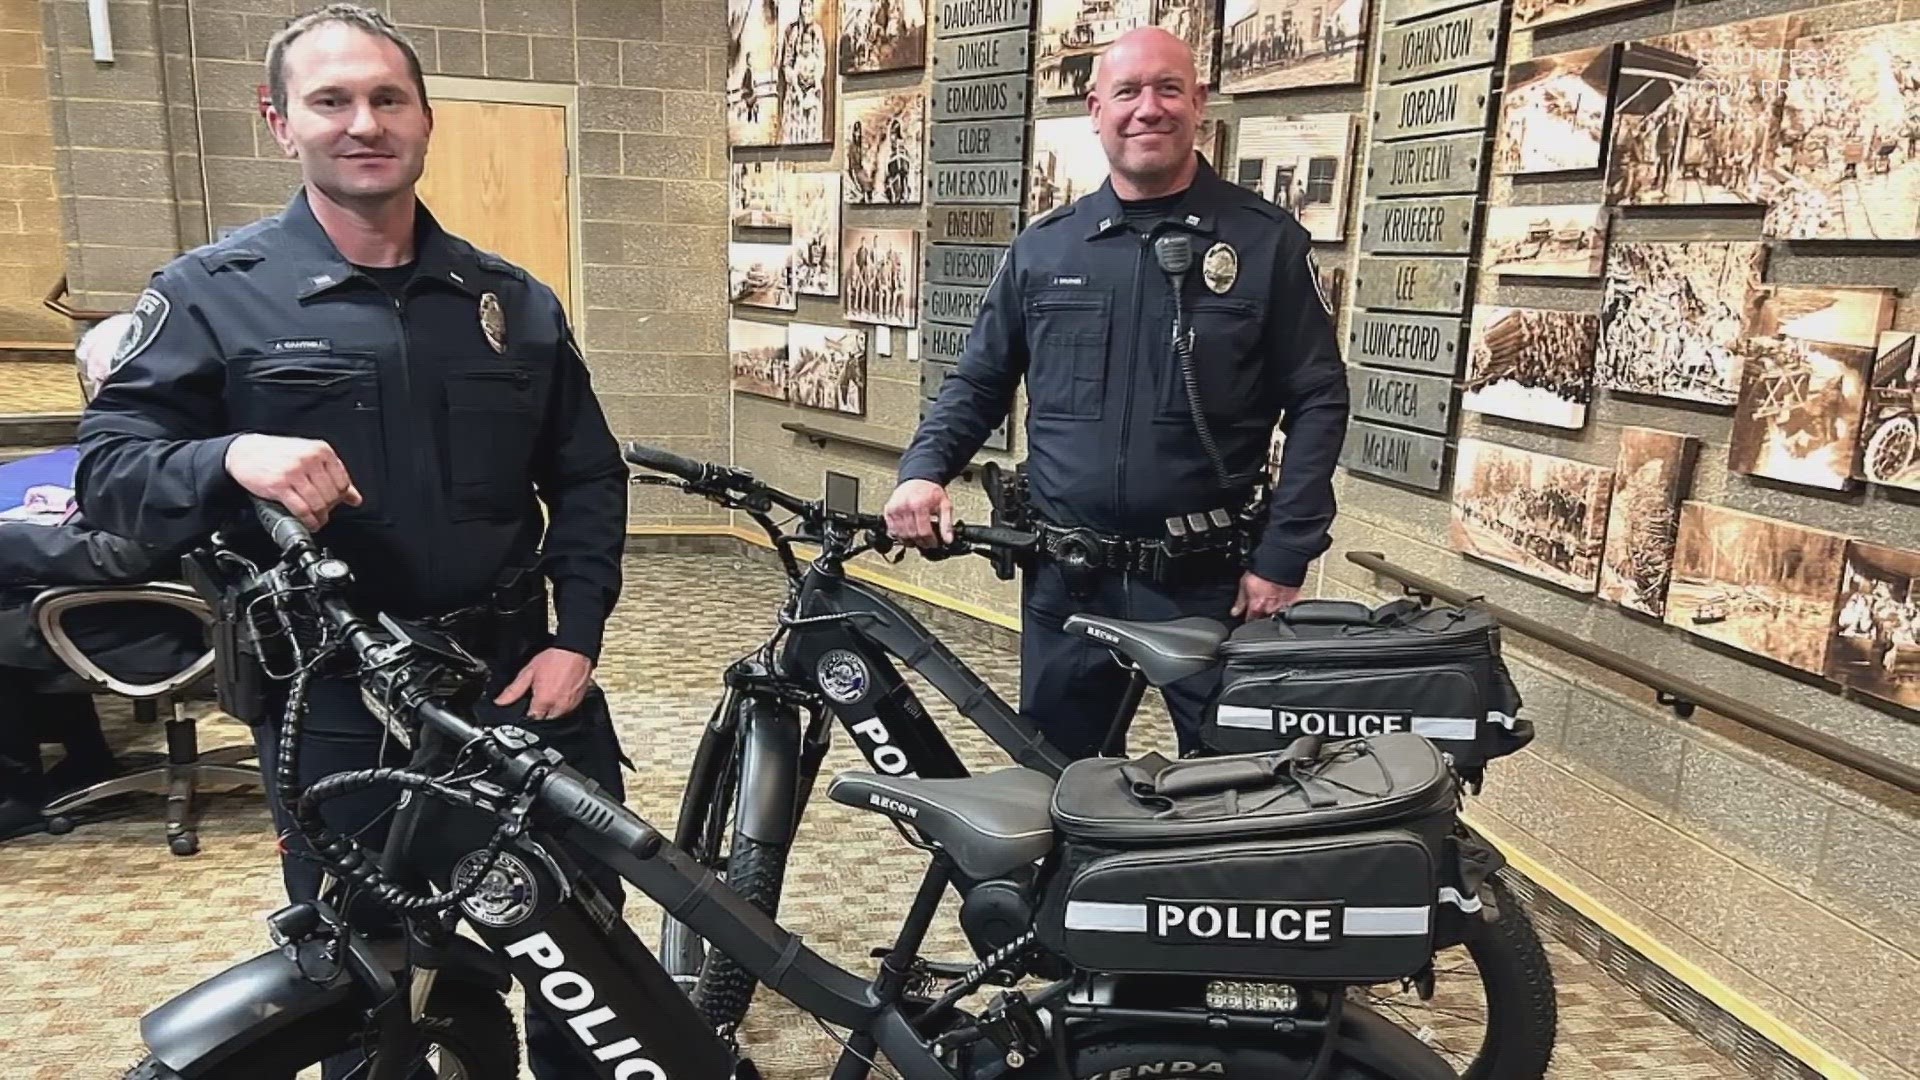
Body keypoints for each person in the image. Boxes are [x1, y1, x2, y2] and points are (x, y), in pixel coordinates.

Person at [72, 6, 630, 1076]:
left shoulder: (509, 302)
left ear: (425, 120)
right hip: (337, 698)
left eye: (387, 98)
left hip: (522, 679)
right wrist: (226, 455)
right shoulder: (211, 296)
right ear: (280, 122)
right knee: (372, 970)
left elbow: (587, 477)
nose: (362, 123)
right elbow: (110, 476)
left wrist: (581, 635)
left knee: (582, 941)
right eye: (330, 100)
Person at [885, 27, 1349, 760]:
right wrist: (923, 471)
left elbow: (1320, 402)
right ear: (1095, 109)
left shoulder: (1265, 244)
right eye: (1128, 92)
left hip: (1212, 581)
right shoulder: (1048, 248)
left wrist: (1285, 554)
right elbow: (979, 380)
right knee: (1061, 785)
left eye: (1169, 89)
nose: (1149, 109)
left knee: (1241, 788)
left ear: (1199, 103)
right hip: (1070, 577)